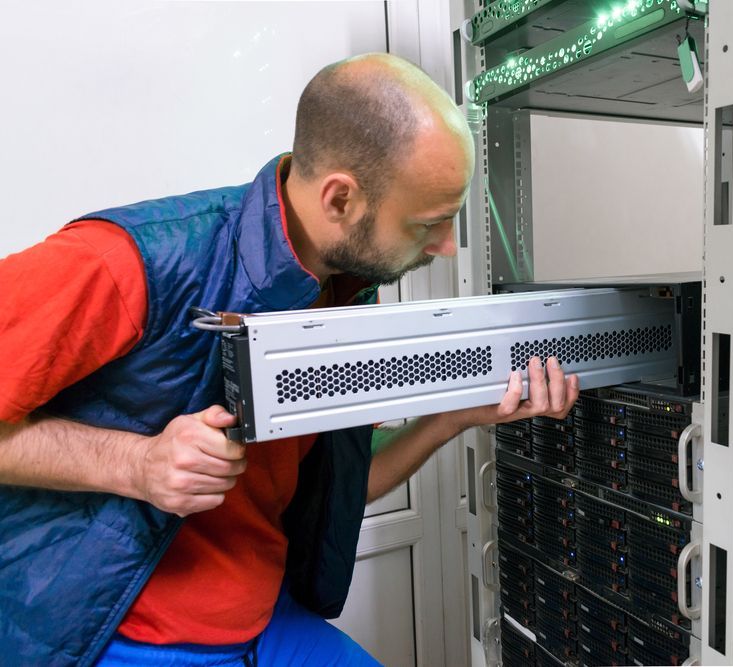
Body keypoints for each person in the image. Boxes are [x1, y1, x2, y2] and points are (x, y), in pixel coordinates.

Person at [0, 53, 579, 666]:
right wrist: (137, 462)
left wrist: (454, 417)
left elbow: (340, 487)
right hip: (117, 629)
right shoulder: (125, 263)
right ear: (341, 200)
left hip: (258, 617)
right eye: (428, 224)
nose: (444, 247)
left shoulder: (343, 286)